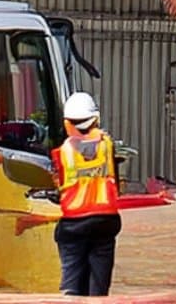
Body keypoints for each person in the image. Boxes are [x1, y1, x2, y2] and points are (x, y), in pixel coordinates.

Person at [49, 92, 121, 296]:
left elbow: (62, 184)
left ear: (67, 123)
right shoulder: (107, 144)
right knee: (99, 287)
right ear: (95, 119)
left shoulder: (63, 151)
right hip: (106, 221)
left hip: (73, 225)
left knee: (71, 283)